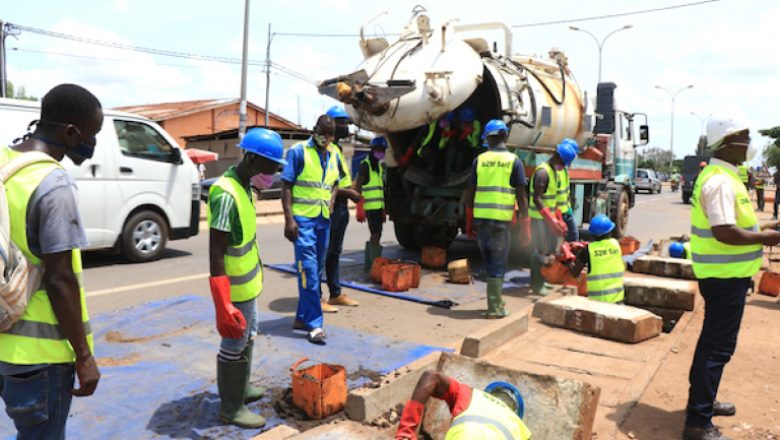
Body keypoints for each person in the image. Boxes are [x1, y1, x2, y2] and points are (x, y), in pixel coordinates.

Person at [0, 84, 102, 438]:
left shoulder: (3, 161)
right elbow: (60, 279)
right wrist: (85, 357)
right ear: (71, 132)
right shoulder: (54, 183)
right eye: (92, 134)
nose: (92, 143)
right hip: (39, 358)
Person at [682, 118, 780, 440]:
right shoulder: (721, 181)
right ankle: (698, 422)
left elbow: (736, 226)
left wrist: (765, 231)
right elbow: (724, 232)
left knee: (712, 344)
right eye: (745, 138)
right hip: (724, 278)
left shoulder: (725, 176)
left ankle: (703, 403)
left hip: (725, 276)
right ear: (727, 142)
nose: (750, 144)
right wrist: (764, 240)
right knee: (717, 348)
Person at [208, 127, 286, 428]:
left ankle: (242, 388)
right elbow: (216, 254)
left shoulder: (244, 187)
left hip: (249, 285)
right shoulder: (226, 194)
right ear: (252, 159)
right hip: (234, 291)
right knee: (233, 343)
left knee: (248, 334)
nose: (274, 172)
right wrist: (222, 303)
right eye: (271, 165)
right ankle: (231, 407)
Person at [281, 115, 344, 345]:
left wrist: (333, 198)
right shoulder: (298, 152)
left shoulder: (334, 153)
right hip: (303, 222)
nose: (326, 138)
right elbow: (286, 186)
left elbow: (336, 182)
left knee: (315, 272)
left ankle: (301, 318)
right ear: (314, 130)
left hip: (323, 220)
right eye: (322, 132)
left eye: (330, 134)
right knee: (308, 271)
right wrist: (289, 219)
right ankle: (315, 325)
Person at [464, 119, 529, 318]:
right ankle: (495, 307)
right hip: (500, 222)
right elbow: (522, 196)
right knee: (498, 264)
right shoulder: (514, 161)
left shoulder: (480, 160)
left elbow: (469, 195)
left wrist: (468, 223)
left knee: (490, 262)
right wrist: (526, 223)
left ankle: (495, 303)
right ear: (505, 136)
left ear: (488, 139)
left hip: (482, 220)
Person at [395, 371, 531, 440]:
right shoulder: (520, 430)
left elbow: (431, 377)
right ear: (516, 413)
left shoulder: (472, 396)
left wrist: (406, 431)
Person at [323, 105, 363, 312]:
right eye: (342, 122)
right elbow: (328, 184)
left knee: (335, 253)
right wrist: (350, 194)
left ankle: (335, 293)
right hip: (329, 208)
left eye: (347, 122)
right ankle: (318, 298)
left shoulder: (337, 149)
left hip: (341, 208)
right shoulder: (325, 150)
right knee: (323, 253)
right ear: (331, 124)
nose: (346, 127)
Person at [529, 141, 577, 295]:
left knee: (549, 250)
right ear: (557, 157)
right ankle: (536, 284)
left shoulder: (554, 172)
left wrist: (559, 220)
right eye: (563, 163)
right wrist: (551, 219)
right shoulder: (542, 173)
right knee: (540, 251)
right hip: (539, 218)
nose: (564, 166)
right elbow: (537, 199)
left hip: (548, 218)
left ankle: (542, 280)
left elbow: (554, 200)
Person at [569, 214, 625, 303]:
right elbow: (603, 252)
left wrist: (574, 257)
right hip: (617, 299)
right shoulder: (616, 244)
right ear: (609, 231)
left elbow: (574, 272)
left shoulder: (588, 250)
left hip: (598, 302)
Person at [355, 136, 388, 265]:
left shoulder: (378, 167)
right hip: (369, 207)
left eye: (383, 150)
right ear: (373, 150)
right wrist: (359, 208)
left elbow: (380, 190)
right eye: (379, 150)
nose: (381, 153)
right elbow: (358, 187)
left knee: (376, 234)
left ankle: (371, 262)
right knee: (376, 234)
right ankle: (374, 263)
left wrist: (383, 209)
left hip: (378, 207)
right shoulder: (365, 165)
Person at [556, 139, 579, 242]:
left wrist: (568, 209)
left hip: (566, 211)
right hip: (558, 213)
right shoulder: (556, 170)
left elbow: (564, 193)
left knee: (573, 237)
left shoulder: (564, 170)